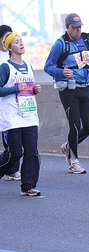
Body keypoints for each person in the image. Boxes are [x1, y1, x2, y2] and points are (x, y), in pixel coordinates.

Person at [44, 13, 89, 174]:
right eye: (74, 28)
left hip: (85, 87)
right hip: (69, 88)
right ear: (67, 27)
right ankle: (74, 161)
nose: (78, 31)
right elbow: (48, 67)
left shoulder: (87, 41)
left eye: (79, 27)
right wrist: (62, 72)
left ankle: (70, 146)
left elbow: (87, 61)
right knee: (75, 124)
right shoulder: (60, 44)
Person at [0, 32, 42, 196]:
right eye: (16, 42)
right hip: (12, 116)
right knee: (14, 153)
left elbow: (27, 90)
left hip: (29, 115)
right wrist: (15, 88)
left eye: (21, 41)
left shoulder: (29, 66)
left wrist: (34, 90)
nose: (21, 44)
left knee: (32, 151)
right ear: (10, 47)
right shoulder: (5, 67)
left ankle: (28, 186)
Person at [0, 24, 21, 181]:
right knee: (9, 138)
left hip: (12, 103)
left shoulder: (11, 56)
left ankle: (12, 169)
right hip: (4, 98)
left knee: (13, 136)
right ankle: (9, 167)